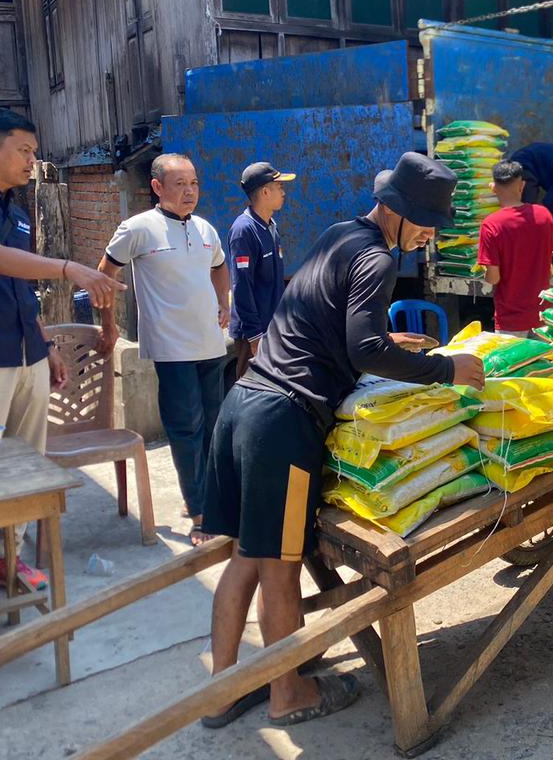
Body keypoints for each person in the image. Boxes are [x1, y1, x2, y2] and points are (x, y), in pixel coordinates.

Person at [199, 152, 485, 728]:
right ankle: (288, 694)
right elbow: (363, 350)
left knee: (246, 558)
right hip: (282, 424)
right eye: (427, 223)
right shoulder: (377, 258)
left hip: (243, 404)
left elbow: (328, 321)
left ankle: (221, 693)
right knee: (280, 567)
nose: (429, 236)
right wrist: (447, 369)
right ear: (397, 210)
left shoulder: (340, 235)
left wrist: (386, 340)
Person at [0, 109, 124, 617]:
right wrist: (69, 268)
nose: (33, 161)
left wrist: (44, 345)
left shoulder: (17, 210)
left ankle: (7, 558)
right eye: (25, 151)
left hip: (26, 356)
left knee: (25, 467)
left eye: (34, 152)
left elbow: (19, 290)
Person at [96, 154, 230, 547]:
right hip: (171, 347)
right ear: (157, 187)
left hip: (210, 342)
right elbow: (105, 272)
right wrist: (109, 323)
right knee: (186, 428)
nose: (190, 192)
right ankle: (200, 514)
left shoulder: (205, 229)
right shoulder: (138, 228)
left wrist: (223, 303)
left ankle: (214, 501)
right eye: (180, 184)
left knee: (214, 425)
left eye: (194, 183)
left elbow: (220, 266)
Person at [229, 162, 296, 380]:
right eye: (279, 187)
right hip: (253, 334)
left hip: (272, 328)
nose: (283, 193)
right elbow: (242, 287)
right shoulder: (244, 230)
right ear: (265, 192)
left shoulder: (271, 227)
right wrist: (254, 336)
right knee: (249, 390)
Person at [478, 160, 553, 337]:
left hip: (511, 320)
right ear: (522, 186)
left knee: (511, 357)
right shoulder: (544, 216)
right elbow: (548, 262)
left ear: (493, 188)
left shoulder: (491, 224)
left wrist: (485, 269)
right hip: (544, 315)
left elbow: (493, 278)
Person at [511, 142, 553, 243]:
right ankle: (525, 243)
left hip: (535, 157)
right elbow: (548, 206)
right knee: (527, 213)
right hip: (524, 161)